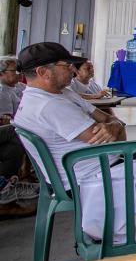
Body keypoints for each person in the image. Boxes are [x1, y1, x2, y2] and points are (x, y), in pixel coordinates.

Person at [12, 42, 126, 193]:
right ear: (43, 72)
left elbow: (107, 119)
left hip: (103, 168)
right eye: (67, 65)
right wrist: (117, 126)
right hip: (92, 180)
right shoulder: (49, 105)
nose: (73, 69)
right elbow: (117, 141)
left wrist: (115, 126)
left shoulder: (63, 93)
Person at [0, 56, 37, 213]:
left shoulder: (18, 87)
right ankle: (7, 188)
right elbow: (5, 120)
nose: (18, 74)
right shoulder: (2, 91)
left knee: (12, 148)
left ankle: (7, 188)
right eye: (14, 71)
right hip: (11, 127)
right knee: (17, 130)